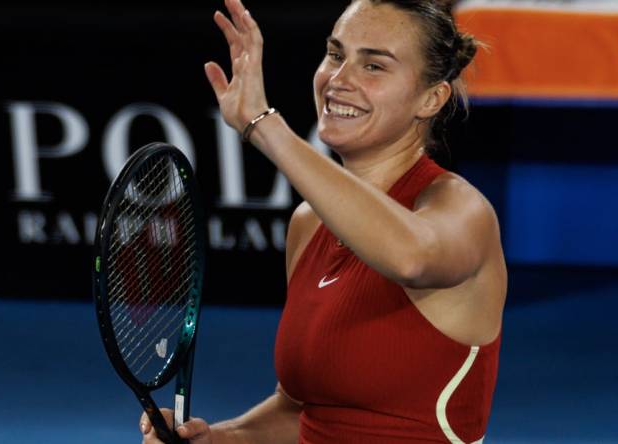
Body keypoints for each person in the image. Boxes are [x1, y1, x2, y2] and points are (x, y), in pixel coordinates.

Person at [140, 0, 506, 442]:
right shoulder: (309, 223)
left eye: (373, 66)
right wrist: (219, 438)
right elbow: (300, 411)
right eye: (336, 54)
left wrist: (263, 125)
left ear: (431, 98)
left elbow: (412, 257)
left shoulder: (462, 210)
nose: (339, 79)